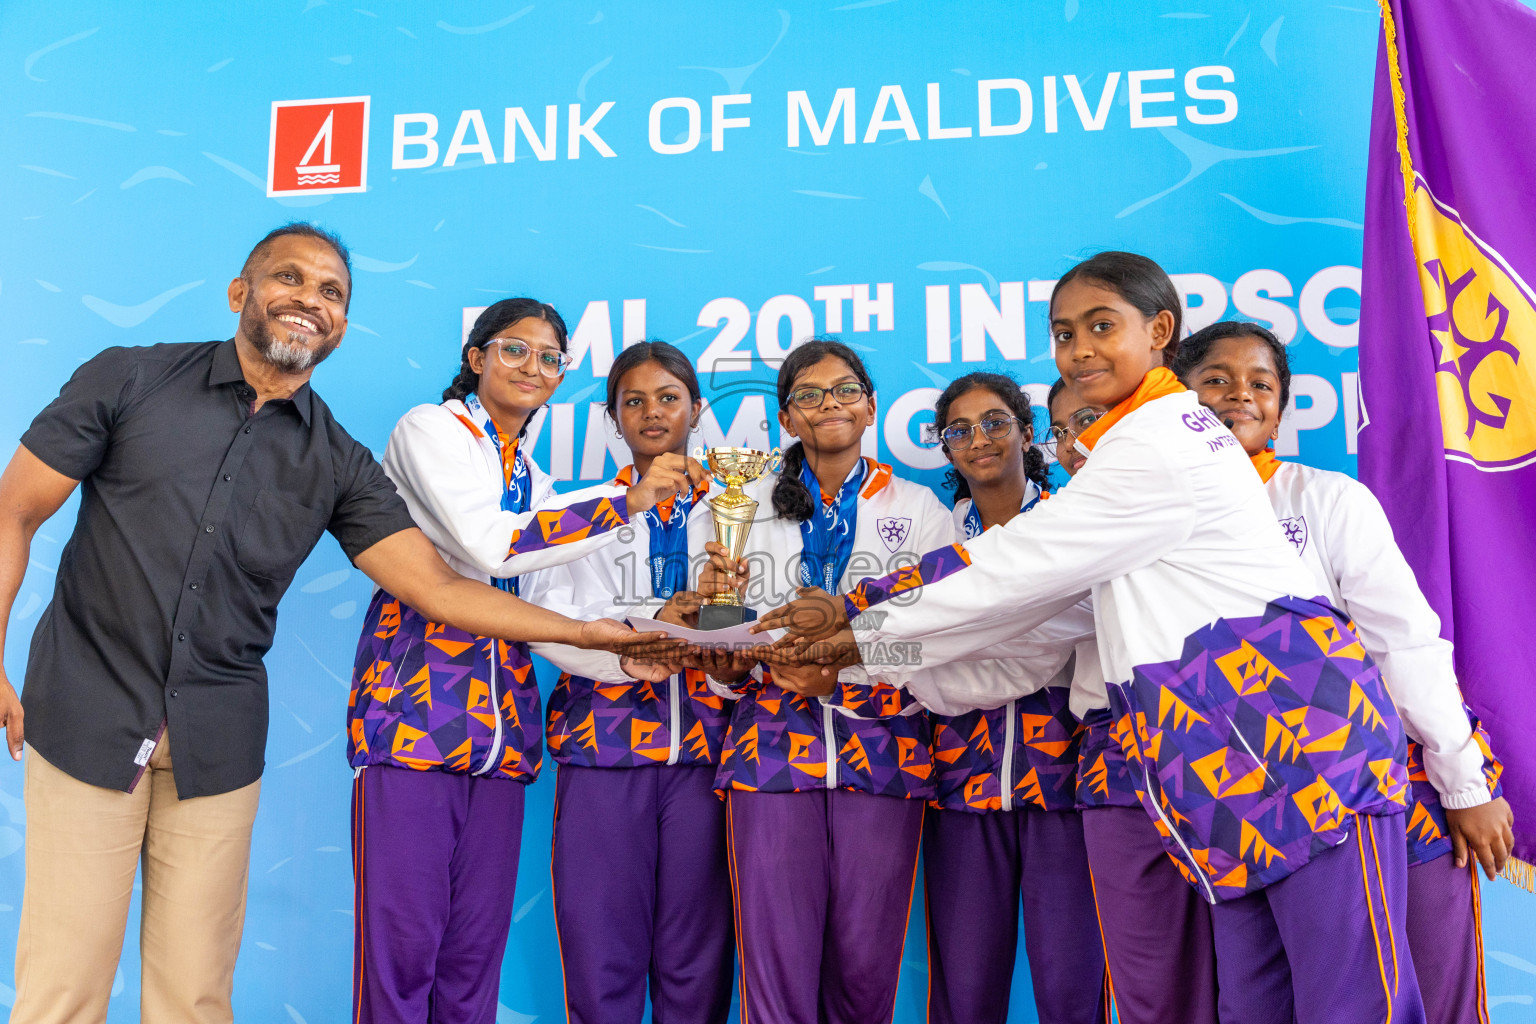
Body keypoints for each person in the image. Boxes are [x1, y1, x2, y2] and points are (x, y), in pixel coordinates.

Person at [0, 224, 666, 1024]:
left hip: (220, 741)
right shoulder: (132, 378)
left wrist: (599, 639)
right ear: (240, 292)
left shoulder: (337, 461)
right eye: (289, 279)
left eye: (332, 293)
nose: (308, 301)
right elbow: (14, 511)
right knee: (64, 988)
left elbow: (438, 589)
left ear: (343, 325)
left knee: (196, 992)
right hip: (89, 716)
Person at [757, 251, 1428, 1024]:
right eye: (1063, 332)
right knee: (1255, 1005)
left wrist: (857, 632)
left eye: (1102, 326)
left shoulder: (1163, 437)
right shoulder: (1126, 459)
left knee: (1355, 1005)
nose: (1079, 350)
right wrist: (858, 650)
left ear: (1161, 331)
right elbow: (1027, 634)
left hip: (1306, 744)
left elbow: (1017, 565)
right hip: (1228, 777)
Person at [347, 305, 702, 1024]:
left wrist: (630, 657)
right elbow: (489, 547)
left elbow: (546, 616)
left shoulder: (534, 478)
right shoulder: (431, 430)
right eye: (515, 350)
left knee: (472, 965)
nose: (533, 367)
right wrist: (624, 500)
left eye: (549, 358)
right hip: (416, 727)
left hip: (505, 741)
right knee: (400, 959)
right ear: (476, 357)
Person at [1172, 319, 1514, 1024]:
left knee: (1417, 995)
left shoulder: (1325, 499)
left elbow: (1405, 643)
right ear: (1180, 395)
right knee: (1267, 1005)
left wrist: (1461, 781)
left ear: (1281, 405)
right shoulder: (1154, 516)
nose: (1240, 396)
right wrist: (879, 647)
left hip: (1374, 793)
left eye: (1260, 384)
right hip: (1238, 805)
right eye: (1216, 380)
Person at [700, 339, 952, 1024]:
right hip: (770, 759)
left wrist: (846, 671)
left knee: (866, 974)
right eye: (808, 395)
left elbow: (934, 647)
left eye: (844, 390)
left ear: (870, 405)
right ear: (787, 418)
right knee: (773, 974)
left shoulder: (922, 509)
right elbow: (721, 638)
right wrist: (726, 671)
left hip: (885, 760)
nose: (828, 404)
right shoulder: (740, 505)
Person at [529, 341, 735, 1024]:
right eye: (634, 401)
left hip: (709, 758)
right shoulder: (582, 508)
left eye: (669, 397)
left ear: (696, 409)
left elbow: (764, 620)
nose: (652, 412)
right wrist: (641, 635)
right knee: (600, 956)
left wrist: (717, 627)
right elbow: (545, 621)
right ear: (613, 418)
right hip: (602, 752)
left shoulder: (741, 508)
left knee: (697, 959)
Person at [920, 372, 1107, 1024]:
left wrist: (952, 649)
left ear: (1029, 434)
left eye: (996, 421)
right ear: (945, 448)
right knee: (964, 994)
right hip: (959, 786)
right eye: (960, 429)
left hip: (1064, 785)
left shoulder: (1073, 521)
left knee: (1072, 985)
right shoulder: (932, 538)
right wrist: (939, 655)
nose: (980, 439)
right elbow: (909, 665)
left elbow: (1055, 643)